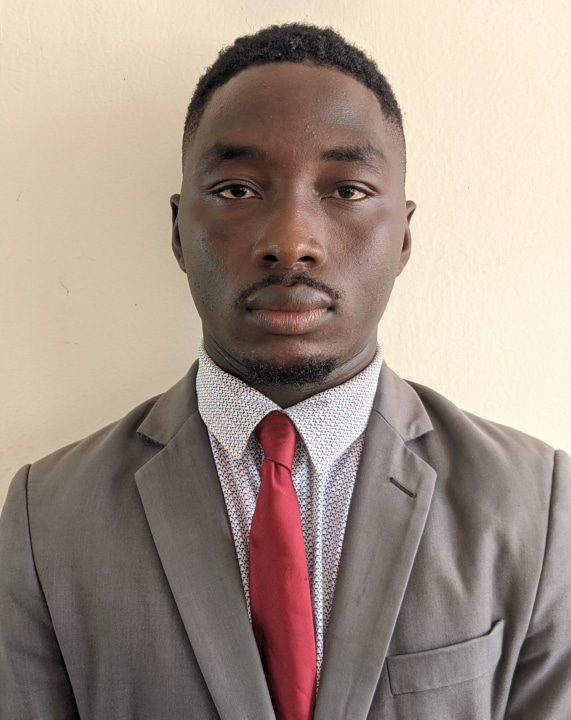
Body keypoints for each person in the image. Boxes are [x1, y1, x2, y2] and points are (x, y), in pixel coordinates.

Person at [0, 23, 569, 720]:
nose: (291, 242)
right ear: (178, 231)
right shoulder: (48, 518)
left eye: (347, 190)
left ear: (404, 236)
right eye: (238, 189)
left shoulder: (536, 505)